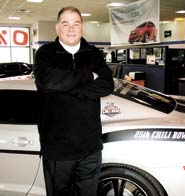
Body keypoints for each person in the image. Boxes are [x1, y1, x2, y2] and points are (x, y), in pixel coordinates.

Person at [33, 6, 114, 196]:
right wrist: (87, 75)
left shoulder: (93, 53)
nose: (71, 29)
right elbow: (48, 81)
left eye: (76, 23)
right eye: (65, 23)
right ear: (57, 28)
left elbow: (107, 85)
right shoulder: (45, 53)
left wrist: (67, 87)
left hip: (90, 148)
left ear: (82, 27)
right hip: (58, 149)